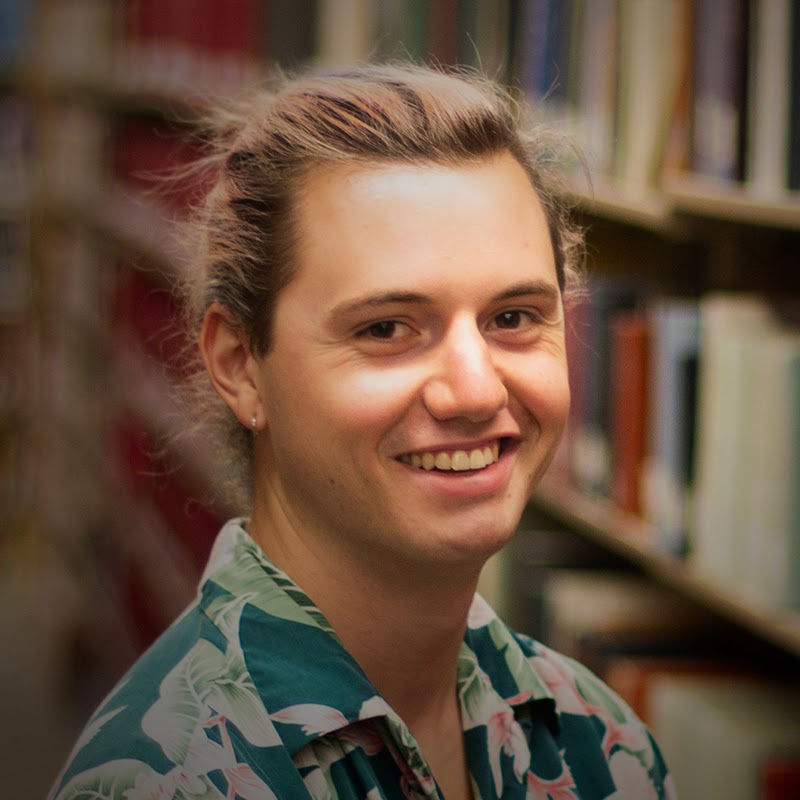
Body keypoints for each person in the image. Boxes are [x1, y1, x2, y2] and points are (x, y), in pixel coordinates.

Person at [50, 63, 674, 800]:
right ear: (240, 364)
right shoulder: (168, 780)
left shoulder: (600, 741)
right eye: (386, 328)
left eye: (513, 318)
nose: (475, 390)